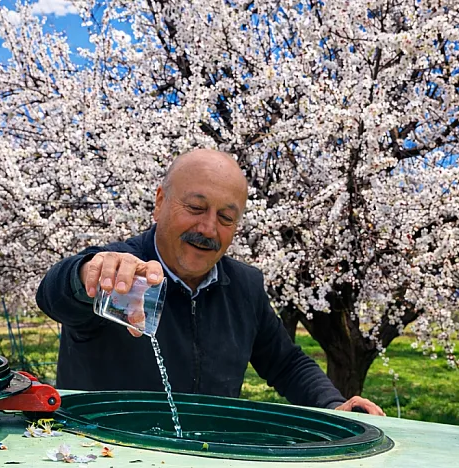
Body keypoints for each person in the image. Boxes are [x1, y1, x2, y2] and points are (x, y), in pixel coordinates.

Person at [36, 148, 385, 416]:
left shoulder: (245, 286)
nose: (208, 229)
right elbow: (53, 295)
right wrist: (88, 275)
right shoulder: (121, 272)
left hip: (208, 451)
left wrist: (332, 403)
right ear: (160, 202)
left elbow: (285, 362)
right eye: (195, 207)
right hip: (103, 452)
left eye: (225, 217)